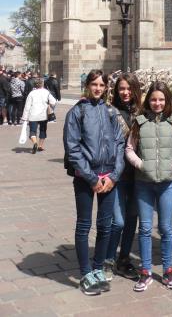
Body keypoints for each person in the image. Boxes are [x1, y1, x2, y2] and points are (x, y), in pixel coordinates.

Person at [63, 70, 125, 296]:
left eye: (102, 85)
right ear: (87, 85)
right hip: (85, 178)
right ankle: (85, 272)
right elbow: (73, 148)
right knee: (84, 225)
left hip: (108, 177)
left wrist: (113, 176)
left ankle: (99, 267)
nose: (98, 88)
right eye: (94, 84)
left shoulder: (111, 111)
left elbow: (120, 144)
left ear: (106, 87)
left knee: (105, 225)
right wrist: (91, 178)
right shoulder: (77, 112)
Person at [126, 81, 172, 292]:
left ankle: (168, 270)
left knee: (166, 228)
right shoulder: (139, 121)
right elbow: (129, 149)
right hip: (143, 183)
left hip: (167, 183)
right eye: (153, 99)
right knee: (144, 228)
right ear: (148, 100)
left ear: (167, 100)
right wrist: (140, 164)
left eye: (161, 99)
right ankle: (145, 271)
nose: (157, 103)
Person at [103, 73, 142, 281]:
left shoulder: (141, 112)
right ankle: (108, 259)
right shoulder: (110, 112)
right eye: (121, 89)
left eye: (128, 88)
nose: (125, 92)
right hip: (117, 175)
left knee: (131, 220)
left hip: (138, 175)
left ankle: (124, 259)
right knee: (117, 221)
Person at [21, 77, 57, 153]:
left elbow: (27, 106)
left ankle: (35, 143)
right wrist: (48, 105)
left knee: (32, 131)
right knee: (43, 130)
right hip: (43, 115)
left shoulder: (31, 93)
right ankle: (40, 146)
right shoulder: (46, 92)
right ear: (42, 84)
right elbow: (53, 102)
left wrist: (24, 117)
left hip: (33, 115)